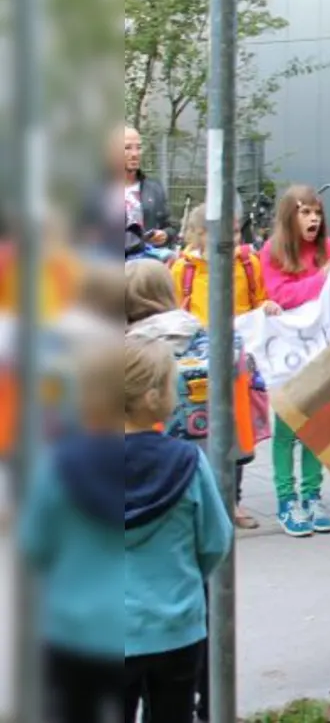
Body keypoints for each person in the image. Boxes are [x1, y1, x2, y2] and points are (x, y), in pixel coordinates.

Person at [121, 338, 233, 721]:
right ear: (154, 396)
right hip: (177, 626)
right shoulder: (188, 462)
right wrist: (185, 579)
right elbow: (216, 540)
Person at [19, 344, 129, 723]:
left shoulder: (58, 466)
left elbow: (34, 544)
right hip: (137, 623)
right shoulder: (162, 462)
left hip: (70, 627)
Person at [168, 207, 271, 529]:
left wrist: (268, 307)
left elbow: (259, 302)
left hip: (237, 360)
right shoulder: (182, 269)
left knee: (236, 429)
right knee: (198, 431)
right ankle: (199, 498)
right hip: (196, 366)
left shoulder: (247, 264)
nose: (231, 238)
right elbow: (173, 312)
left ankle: (233, 501)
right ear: (199, 234)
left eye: (237, 231)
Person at [262, 184, 330, 536]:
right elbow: (281, 294)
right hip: (287, 349)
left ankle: (312, 495)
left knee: (317, 425)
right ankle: (286, 499)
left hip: (321, 347)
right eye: (305, 212)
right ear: (289, 216)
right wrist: (320, 279)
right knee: (286, 428)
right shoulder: (272, 251)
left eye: (317, 212)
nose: (313, 219)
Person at [115, 125, 176, 254]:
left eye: (138, 148)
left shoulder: (154, 189)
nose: (135, 154)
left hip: (147, 262)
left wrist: (165, 235)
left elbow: (171, 228)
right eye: (127, 148)